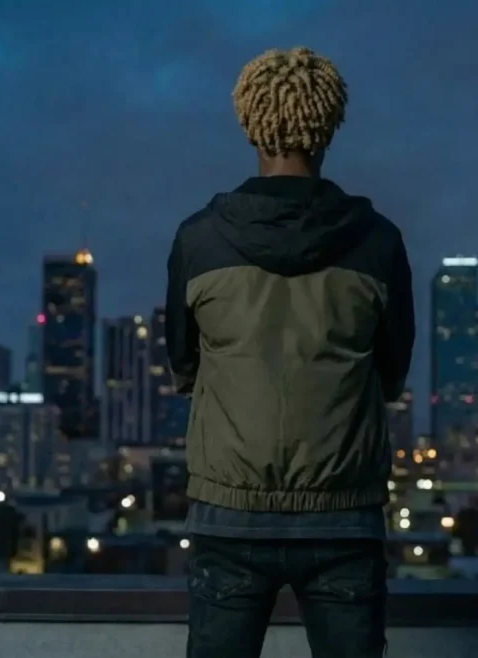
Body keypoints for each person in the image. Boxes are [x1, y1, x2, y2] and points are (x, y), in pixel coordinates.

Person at [165, 47, 415, 658]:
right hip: (344, 516)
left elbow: (183, 363)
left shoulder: (199, 240)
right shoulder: (378, 243)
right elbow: (391, 372)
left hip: (228, 513)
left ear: (250, 120)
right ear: (328, 123)